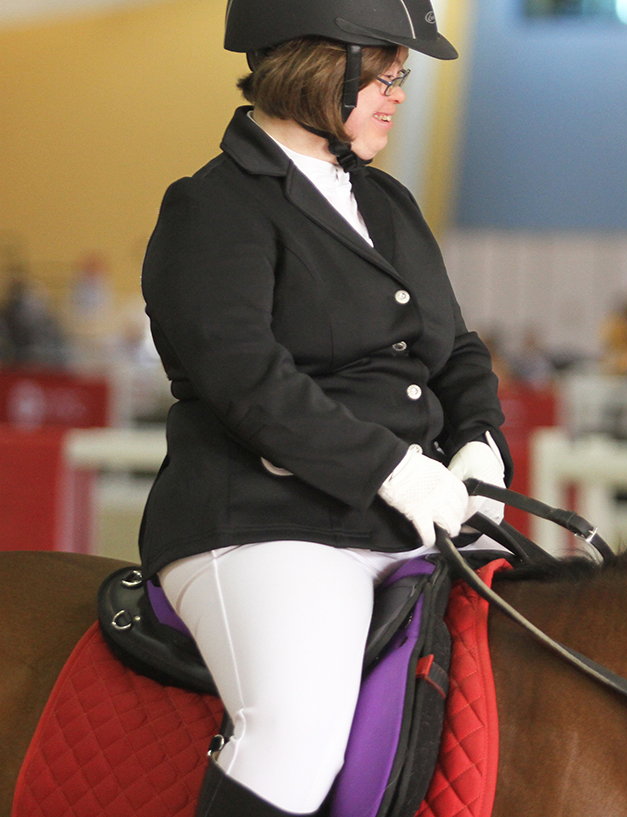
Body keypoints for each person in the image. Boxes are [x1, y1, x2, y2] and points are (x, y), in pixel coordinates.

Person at [138, 1, 511, 815]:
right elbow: (250, 384)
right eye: (385, 74)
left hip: (404, 518)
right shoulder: (215, 207)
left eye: (401, 77)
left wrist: (479, 440)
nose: (398, 95)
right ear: (317, 66)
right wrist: (393, 468)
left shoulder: (387, 205)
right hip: (265, 521)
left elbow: (455, 346)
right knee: (295, 737)